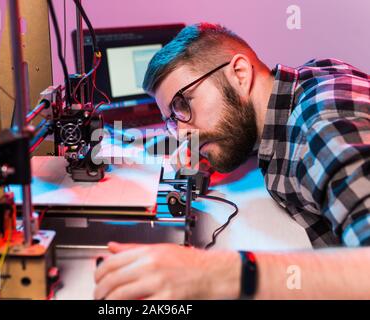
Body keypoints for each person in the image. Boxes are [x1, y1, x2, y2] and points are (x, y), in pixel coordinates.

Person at [94, 23, 370, 299]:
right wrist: (209, 150)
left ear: (239, 73)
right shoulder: (300, 87)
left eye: (184, 105)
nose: (181, 134)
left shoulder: (320, 129)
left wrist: (214, 273)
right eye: (172, 119)